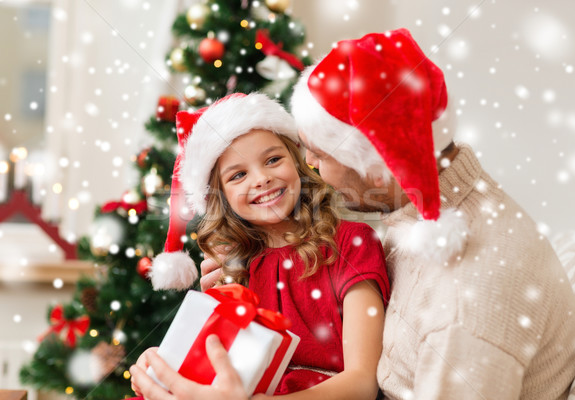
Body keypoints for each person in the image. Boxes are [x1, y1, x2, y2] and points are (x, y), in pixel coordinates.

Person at [199, 29, 575, 399]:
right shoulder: (422, 220)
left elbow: (361, 379)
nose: (310, 166)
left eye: (320, 154)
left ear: (374, 162)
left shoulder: (463, 313)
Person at [129, 93, 390, 399]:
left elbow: (362, 383)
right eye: (238, 175)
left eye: (273, 160)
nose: (262, 178)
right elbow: (218, 369)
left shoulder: (351, 242)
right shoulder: (230, 266)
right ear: (221, 197)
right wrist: (162, 363)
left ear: (297, 161)